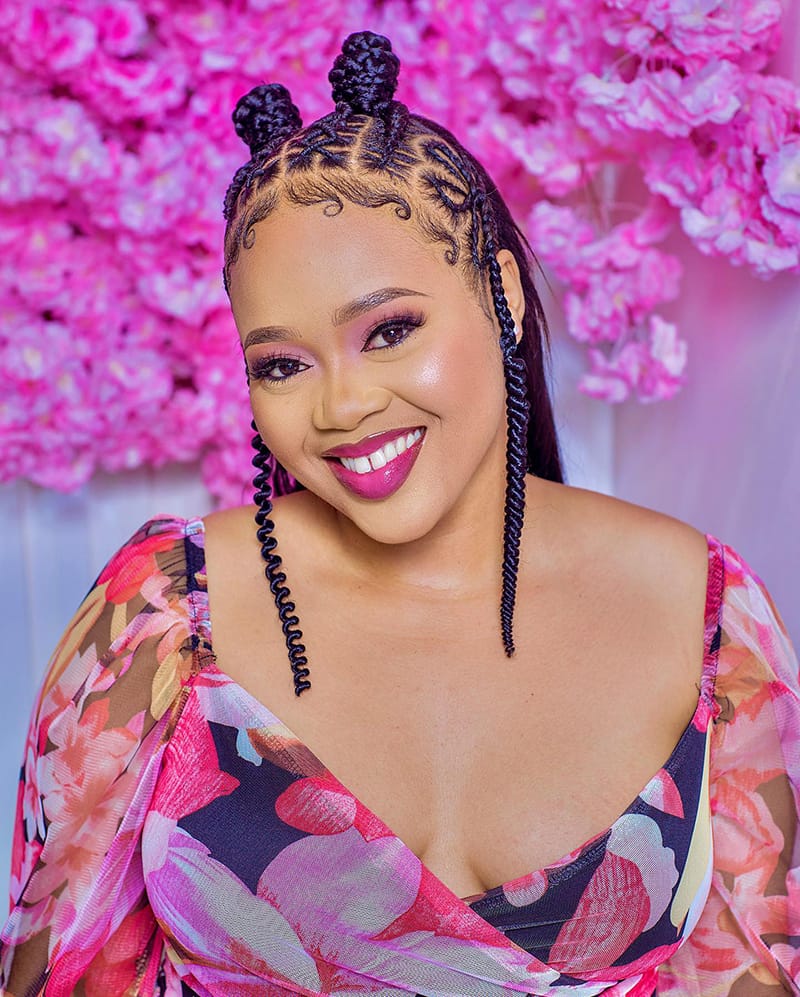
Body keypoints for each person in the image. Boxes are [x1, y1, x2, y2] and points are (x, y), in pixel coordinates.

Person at [1, 29, 797, 997]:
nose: (340, 408)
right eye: (282, 364)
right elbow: (61, 976)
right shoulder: (157, 621)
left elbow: (754, 971)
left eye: (388, 330)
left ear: (499, 295)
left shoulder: (704, 612)